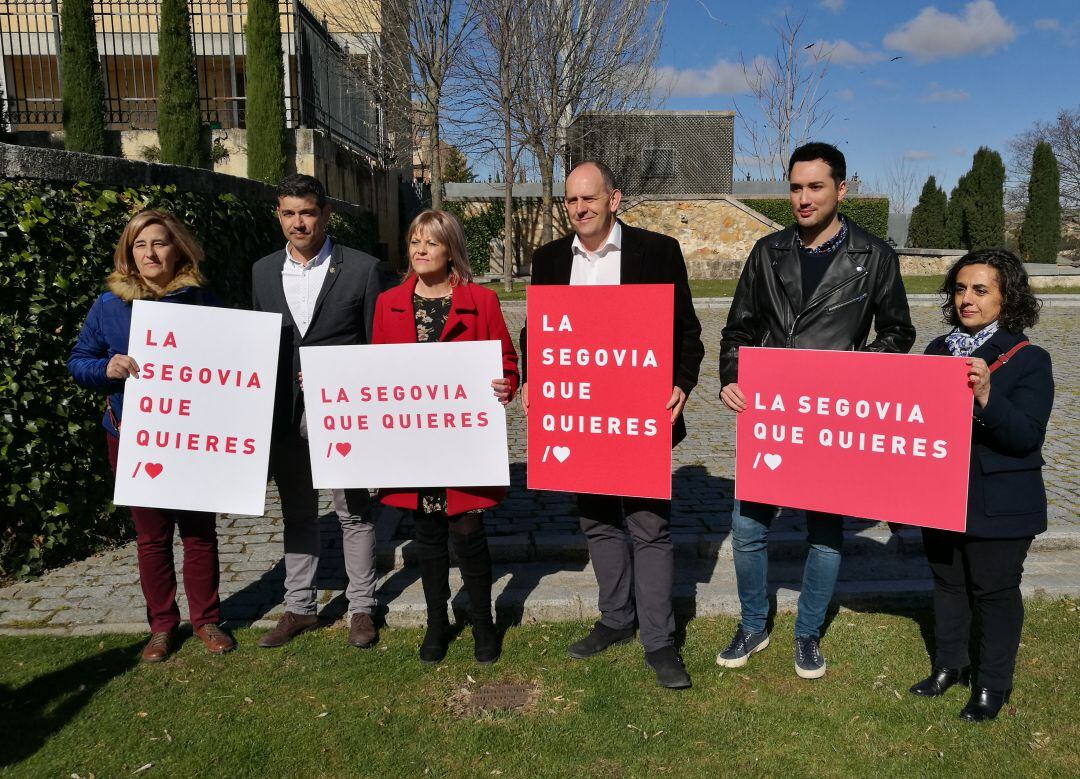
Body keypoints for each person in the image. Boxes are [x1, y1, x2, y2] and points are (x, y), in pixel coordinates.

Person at [717, 142, 916, 679]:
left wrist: (857, 370)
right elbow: (738, 329)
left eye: (815, 187)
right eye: (796, 187)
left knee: (825, 534)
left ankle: (806, 634)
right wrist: (732, 375)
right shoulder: (767, 251)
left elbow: (898, 331)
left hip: (831, 416)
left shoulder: (874, 256)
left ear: (841, 189)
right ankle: (754, 623)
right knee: (748, 528)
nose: (803, 198)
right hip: (771, 413)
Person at [522, 160, 705, 689]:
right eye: (570, 200)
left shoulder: (657, 252)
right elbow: (538, 333)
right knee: (597, 520)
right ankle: (615, 618)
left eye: (589, 199)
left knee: (649, 525)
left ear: (614, 199)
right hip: (580, 419)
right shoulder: (550, 258)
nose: (579, 208)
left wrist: (682, 384)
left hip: (639, 413)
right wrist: (534, 376)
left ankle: (659, 639)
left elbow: (687, 331)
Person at [68, 209, 234, 662]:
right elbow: (78, 361)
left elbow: (233, 365)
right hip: (132, 435)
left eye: (159, 242)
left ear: (177, 247)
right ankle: (161, 626)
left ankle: (206, 619)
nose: (150, 252)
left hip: (192, 435)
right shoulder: (109, 305)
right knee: (151, 536)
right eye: (140, 245)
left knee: (199, 532)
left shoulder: (203, 301)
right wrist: (105, 368)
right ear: (128, 254)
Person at [910, 249, 1053, 722]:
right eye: (959, 288)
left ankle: (992, 686)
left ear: (1006, 297)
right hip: (940, 493)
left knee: (994, 591)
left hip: (1000, 502)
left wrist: (987, 394)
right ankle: (950, 666)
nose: (966, 299)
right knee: (947, 583)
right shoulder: (936, 350)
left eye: (980, 289)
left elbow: (1026, 436)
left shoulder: (1031, 359)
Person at [372, 209, 518, 664]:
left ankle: (482, 622)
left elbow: (508, 361)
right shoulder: (388, 304)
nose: (420, 250)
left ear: (450, 248)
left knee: (469, 533)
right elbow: (374, 372)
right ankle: (437, 622)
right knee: (427, 536)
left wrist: (506, 383)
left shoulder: (483, 301)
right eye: (414, 241)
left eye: (431, 242)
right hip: (414, 443)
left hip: (463, 442)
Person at [252, 174, 383, 649]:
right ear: (279, 216)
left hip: (343, 413)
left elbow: (375, 347)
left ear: (325, 214)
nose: (298, 222)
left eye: (307, 212)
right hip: (286, 414)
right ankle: (299, 607)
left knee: (353, 511)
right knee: (298, 513)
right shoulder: (262, 272)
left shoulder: (363, 269)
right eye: (288, 213)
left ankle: (363, 607)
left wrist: (342, 378)